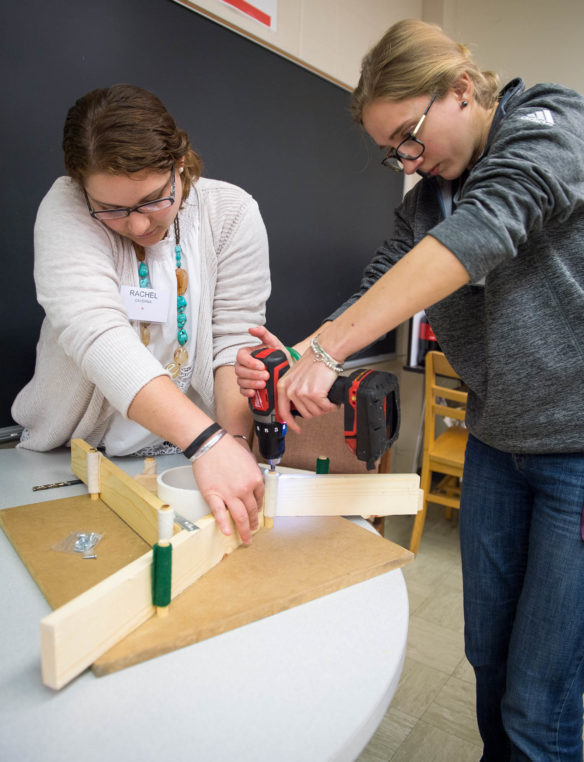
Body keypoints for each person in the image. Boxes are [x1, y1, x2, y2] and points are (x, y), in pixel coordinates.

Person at [235, 18, 584, 761]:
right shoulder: (428, 196)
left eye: (409, 135)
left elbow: (486, 232)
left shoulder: (550, 125)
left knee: (541, 697)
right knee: (489, 659)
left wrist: (326, 350)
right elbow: (381, 282)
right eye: (391, 149)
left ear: (461, 89)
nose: (406, 158)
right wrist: (292, 355)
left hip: (577, 456)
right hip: (498, 442)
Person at [12, 83, 270, 545]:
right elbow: (97, 335)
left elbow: (234, 339)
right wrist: (209, 443)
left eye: (153, 198)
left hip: (186, 455)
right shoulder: (66, 208)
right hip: (76, 457)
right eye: (110, 209)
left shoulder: (232, 213)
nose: (137, 225)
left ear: (181, 164)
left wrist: (230, 443)